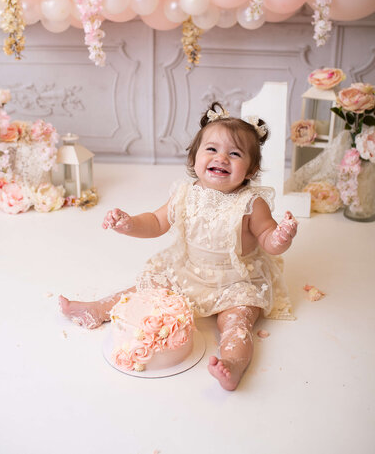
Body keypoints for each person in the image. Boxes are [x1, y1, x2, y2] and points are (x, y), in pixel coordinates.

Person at [60, 102, 298, 391]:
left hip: (236, 281)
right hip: (188, 271)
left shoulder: (251, 203)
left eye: (234, 154)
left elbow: (267, 238)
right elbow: (156, 222)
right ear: (194, 157)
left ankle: (233, 364)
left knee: (236, 325)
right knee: (146, 291)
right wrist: (129, 223)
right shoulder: (186, 193)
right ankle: (95, 309)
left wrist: (280, 237)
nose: (221, 157)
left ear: (251, 170)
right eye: (211, 149)